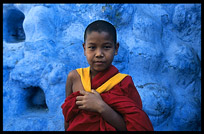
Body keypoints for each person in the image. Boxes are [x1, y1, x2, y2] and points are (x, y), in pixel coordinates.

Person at [61, 20, 154, 131]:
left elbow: (130, 127)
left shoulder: (124, 83)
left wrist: (101, 107)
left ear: (116, 48)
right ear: (84, 48)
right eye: (92, 47)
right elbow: (68, 116)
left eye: (106, 47)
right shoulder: (74, 77)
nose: (99, 54)